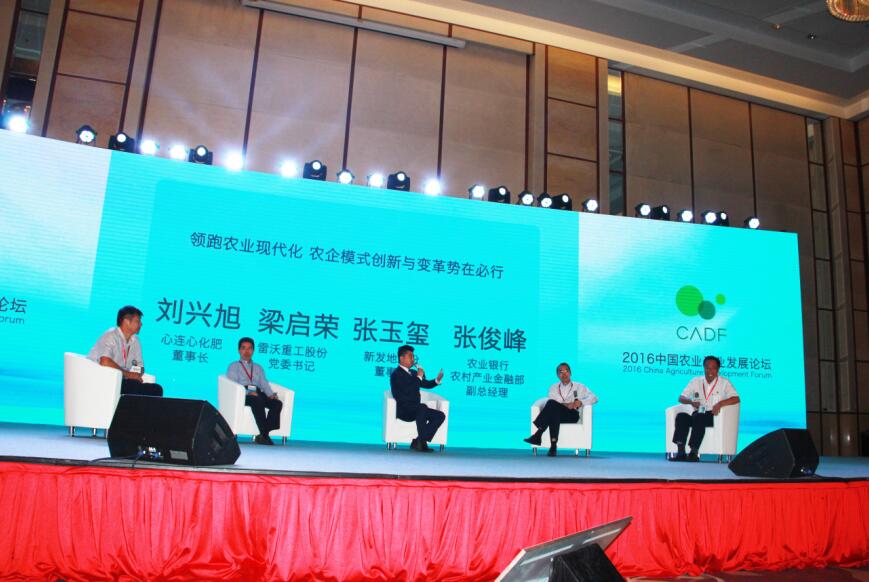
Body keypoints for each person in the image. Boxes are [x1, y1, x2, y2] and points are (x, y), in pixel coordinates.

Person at [670, 355, 740, 462]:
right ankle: (681, 452)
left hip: (713, 415)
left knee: (699, 417)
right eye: (707, 368)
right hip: (697, 413)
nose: (710, 371)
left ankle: (694, 452)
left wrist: (720, 404)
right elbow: (681, 398)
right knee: (682, 416)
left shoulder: (724, 382)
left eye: (713, 368)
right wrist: (691, 401)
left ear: (718, 369)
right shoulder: (696, 381)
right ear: (704, 368)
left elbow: (736, 398)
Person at [524, 362, 598, 456]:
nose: (564, 374)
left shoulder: (579, 386)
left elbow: (594, 398)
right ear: (557, 375)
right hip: (557, 414)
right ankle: (553, 446)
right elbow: (554, 402)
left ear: (570, 373)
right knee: (552, 407)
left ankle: (538, 435)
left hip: (572, 415)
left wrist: (581, 402)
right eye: (561, 372)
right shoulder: (553, 387)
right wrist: (567, 405)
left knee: (552, 407)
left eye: (566, 371)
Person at [88, 305, 163, 396]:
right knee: (133, 385)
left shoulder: (135, 341)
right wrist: (128, 374)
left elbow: (140, 366)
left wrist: (137, 373)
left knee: (157, 389)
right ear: (126, 321)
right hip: (102, 379)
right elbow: (105, 361)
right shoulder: (111, 335)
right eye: (138, 321)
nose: (141, 324)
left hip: (123, 381)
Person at [226, 337, 283, 445]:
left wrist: (270, 394)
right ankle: (264, 436)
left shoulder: (258, 367)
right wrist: (248, 392)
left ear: (253, 350)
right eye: (243, 348)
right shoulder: (234, 366)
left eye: (250, 348)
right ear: (239, 350)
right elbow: (233, 385)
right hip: (243, 394)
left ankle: (263, 434)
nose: (247, 351)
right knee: (257, 400)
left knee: (277, 403)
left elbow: (264, 383)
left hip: (257, 393)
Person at [390, 344, 445, 453]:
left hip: (416, 409)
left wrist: (437, 380)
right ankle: (421, 444)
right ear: (402, 358)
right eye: (410, 356)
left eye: (413, 357)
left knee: (439, 416)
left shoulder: (414, 373)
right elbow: (408, 389)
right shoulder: (396, 374)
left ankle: (419, 441)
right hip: (404, 410)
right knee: (422, 407)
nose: (413, 359)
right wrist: (419, 377)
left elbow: (426, 384)